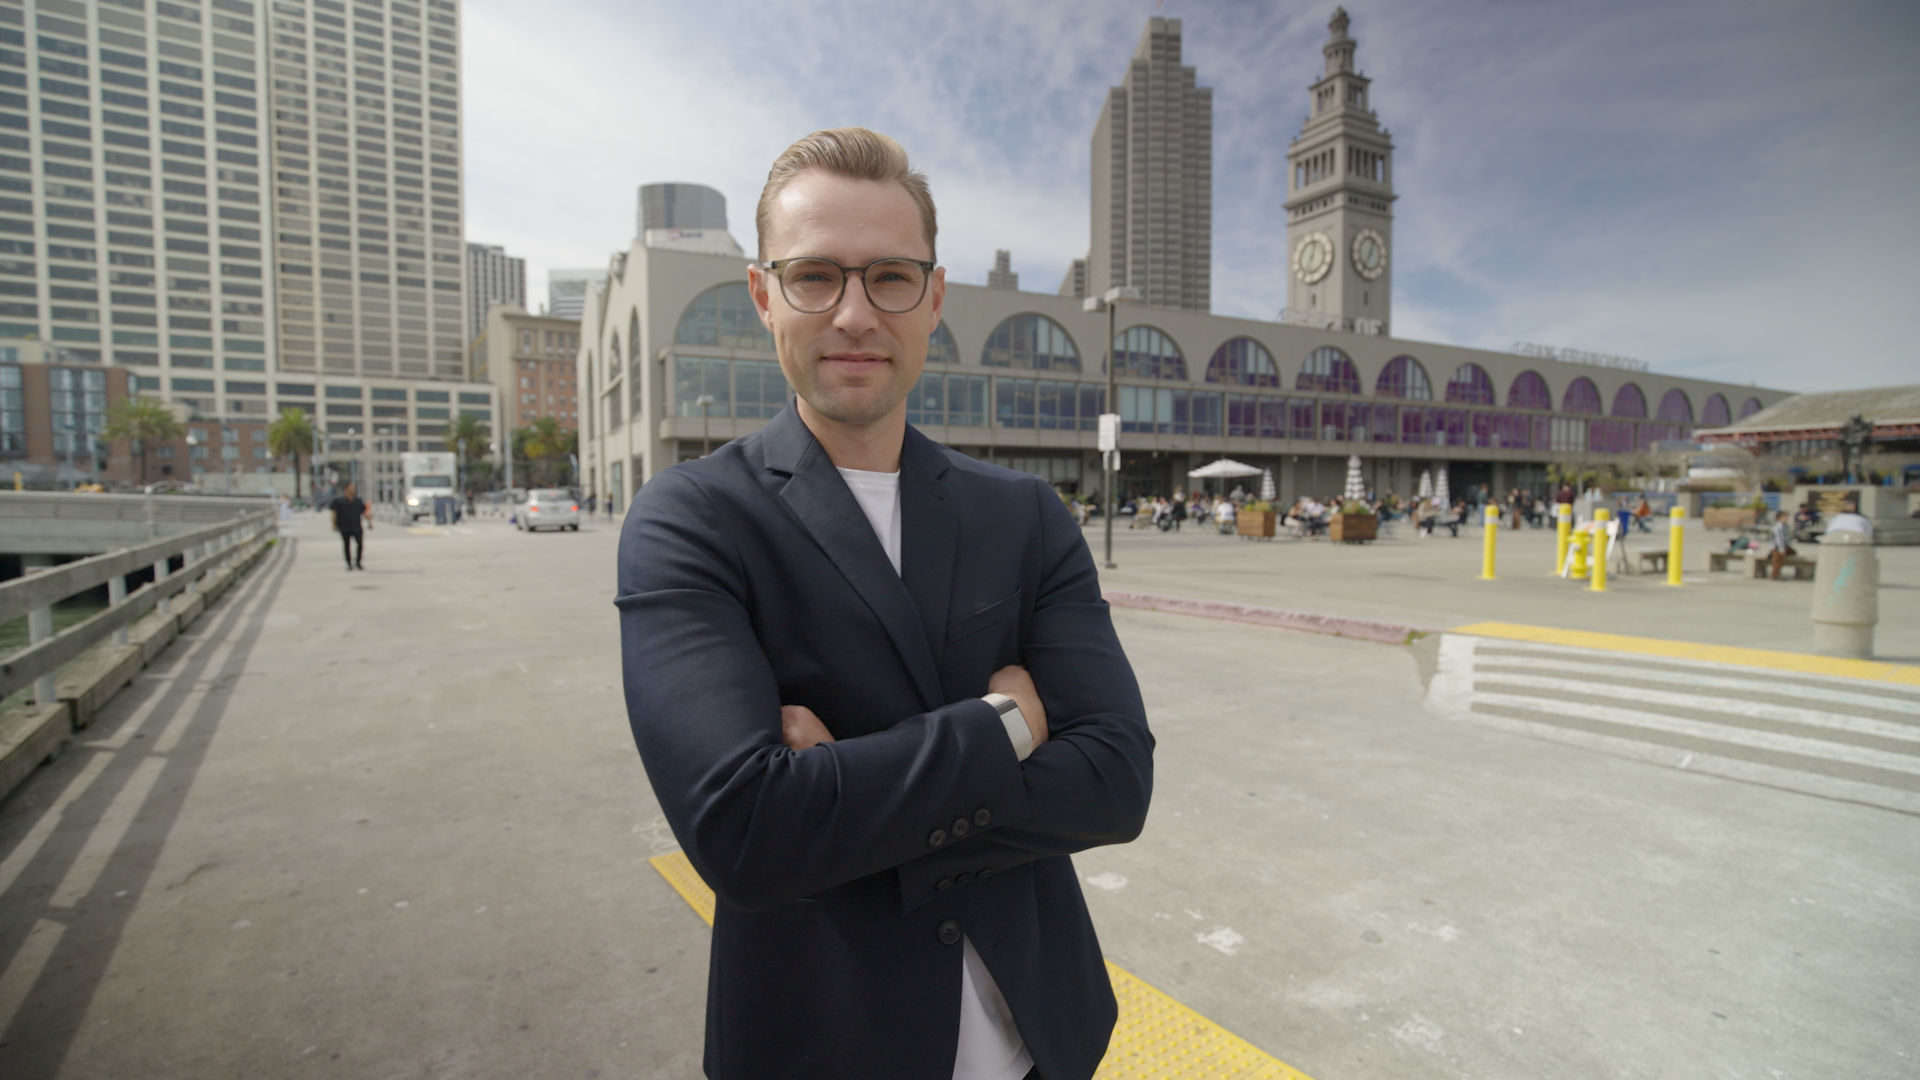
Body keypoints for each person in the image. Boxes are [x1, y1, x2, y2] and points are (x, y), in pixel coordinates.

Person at [616, 128, 1153, 1080]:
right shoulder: (692, 520)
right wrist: (1003, 729)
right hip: (820, 1044)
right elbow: (747, 835)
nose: (856, 313)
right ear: (763, 295)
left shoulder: (1024, 514)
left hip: (1046, 1039)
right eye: (815, 275)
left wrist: (844, 800)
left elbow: (1115, 779)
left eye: (891, 277)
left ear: (934, 298)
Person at [328, 481, 371, 570]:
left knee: (360, 544)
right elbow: (334, 513)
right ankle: (348, 563)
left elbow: (364, 512)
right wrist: (334, 524)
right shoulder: (338, 501)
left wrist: (369, 522)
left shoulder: (358, 500)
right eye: (352, 488)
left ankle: (358, 562)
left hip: (356, 526)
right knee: (346, 545)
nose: (354, 490)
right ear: (346, 489)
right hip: (344, 526)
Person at [1770, 510, 1796, 579]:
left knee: (1780, 561)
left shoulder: (1784, 526)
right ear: (1780, 518)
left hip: (1783, 546)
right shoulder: (1778, 527)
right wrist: (1782, 548)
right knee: (1777, 562)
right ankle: (1775, 575)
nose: (1786, 519)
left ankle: (1778, 574)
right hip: (1777, 547)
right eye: (1785, 517)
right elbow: (1779, 539)